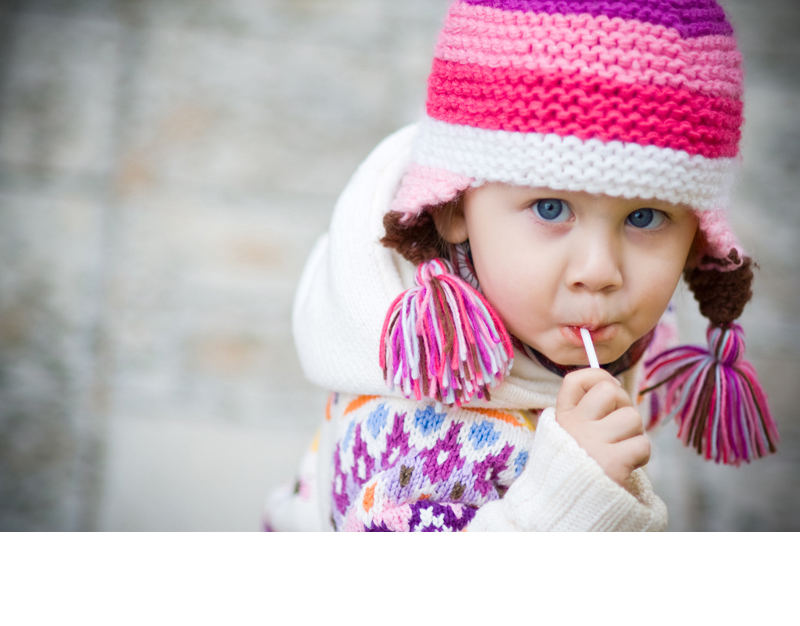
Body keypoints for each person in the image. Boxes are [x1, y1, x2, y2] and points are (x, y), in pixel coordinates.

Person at [264, 0, 779, 532]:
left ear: (698, 236)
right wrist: (568, 500)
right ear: (452, 208)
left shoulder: (614, 326)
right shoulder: (410, 427)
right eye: (551, 209)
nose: (599, 270)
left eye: (644, 217)